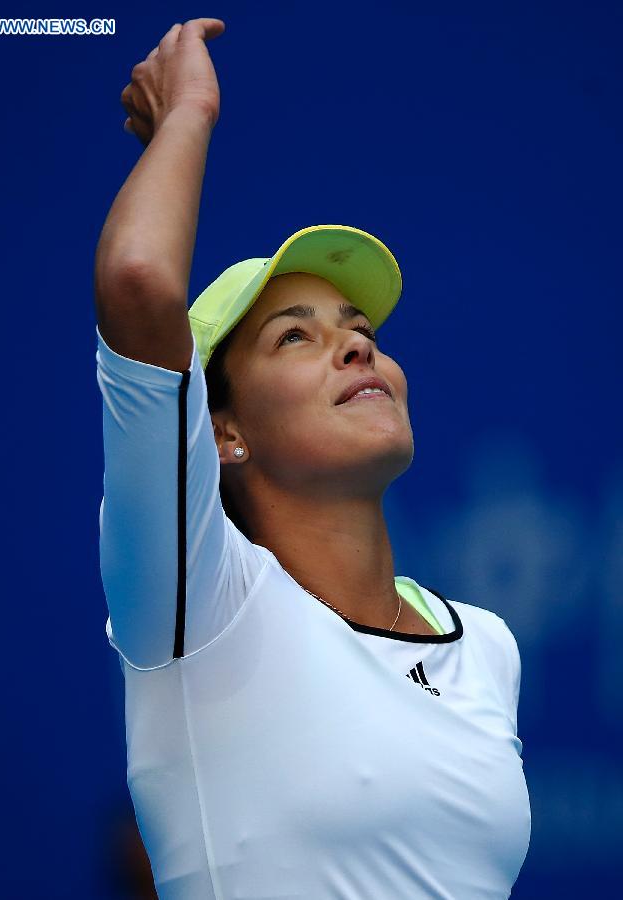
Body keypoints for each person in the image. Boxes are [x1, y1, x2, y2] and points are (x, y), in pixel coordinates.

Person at [94, 18, 531, 899]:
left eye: (362, 332)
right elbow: (139, 281)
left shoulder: (487, 645)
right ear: (223, 431)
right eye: (297, 337)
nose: (356, 350)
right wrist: (189, 115)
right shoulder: (198, 601)